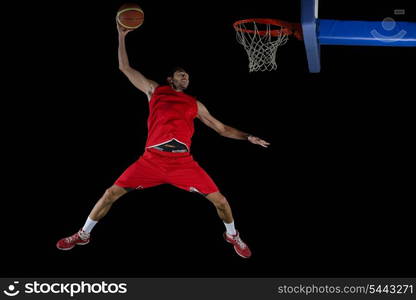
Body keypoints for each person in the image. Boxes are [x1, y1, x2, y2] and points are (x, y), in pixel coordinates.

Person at [56, 21, 270, 259]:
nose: (186, 77)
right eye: (181, 75)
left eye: (187, 76)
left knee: (221, 201)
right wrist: (121, 35)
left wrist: (247, 136)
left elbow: (221, 128)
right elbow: (124, 67)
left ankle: (232, 235)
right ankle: (82, 235)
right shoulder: (154, 91)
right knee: (110, 194)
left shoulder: (194, 104)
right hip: (151, 161)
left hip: (182, 164)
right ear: (170, 79)